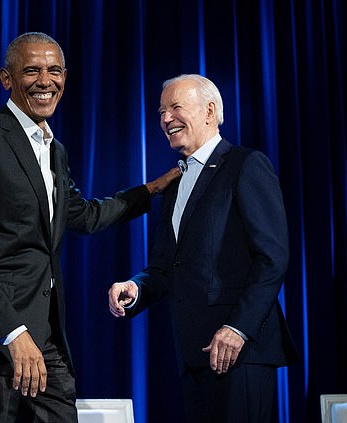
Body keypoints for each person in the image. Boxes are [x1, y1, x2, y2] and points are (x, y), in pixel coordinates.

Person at [0, 32, 179, 422]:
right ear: (6, 78)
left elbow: (83, 214)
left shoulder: (54, 149)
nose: (46, 81)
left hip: (44, 339)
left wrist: (153, 190)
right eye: (32, 71)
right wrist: (13, 332)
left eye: (54, 70)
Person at [108, 74, 297, 422]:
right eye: (162, 111)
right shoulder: (175, 183)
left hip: (241, 352)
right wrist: (136, 287)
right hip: (194, 354)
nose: (166, 118)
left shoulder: (245, 165)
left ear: (210, 111)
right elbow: (167, 267)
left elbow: (272, 258)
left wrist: (238, 328)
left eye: (176, 107)